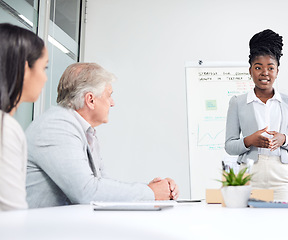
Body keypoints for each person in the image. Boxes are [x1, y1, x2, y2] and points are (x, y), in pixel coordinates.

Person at [25, 63, 179, 208]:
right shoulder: (56, 126)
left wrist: (154, 189)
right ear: (90, 100)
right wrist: (150, 193)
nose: (112, 103)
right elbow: (87, 192)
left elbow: (102, 186)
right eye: (109, 95)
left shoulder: (84, 130)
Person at [225, 29, 288, 201]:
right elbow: (229, 145)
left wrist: (284, 139)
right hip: (250, 175)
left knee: (285, 221)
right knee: (250, 223)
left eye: (270, 68)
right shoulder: (237, 102)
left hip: (282, 176)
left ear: (277, 71)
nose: (265, 73)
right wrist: (249, 140)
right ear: (250, 71)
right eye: (258, 67)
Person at [0, 23, 48, 211]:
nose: (45, 78)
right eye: (44, 67)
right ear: (25, 68)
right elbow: (11, 214)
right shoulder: (5, 129)